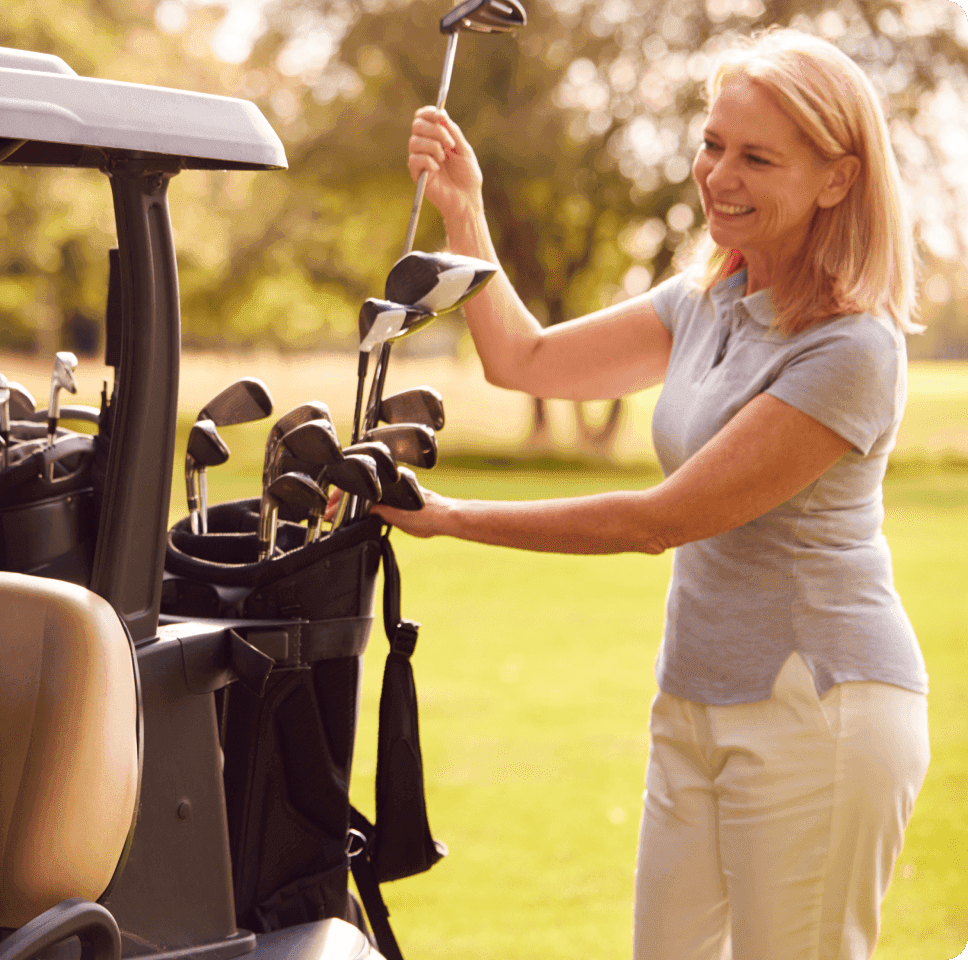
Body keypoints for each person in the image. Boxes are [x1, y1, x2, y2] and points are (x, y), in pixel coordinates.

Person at [380, 29, 926, 960]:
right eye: (713, 145)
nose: (719, 176)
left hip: (818, 715)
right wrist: (463, 213)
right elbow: (526, 361)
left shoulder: (851, 351)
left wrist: (451, 518)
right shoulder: (702, 300)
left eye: (757, 158)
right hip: (691, 702)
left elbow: (658, 520)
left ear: (836, 179)